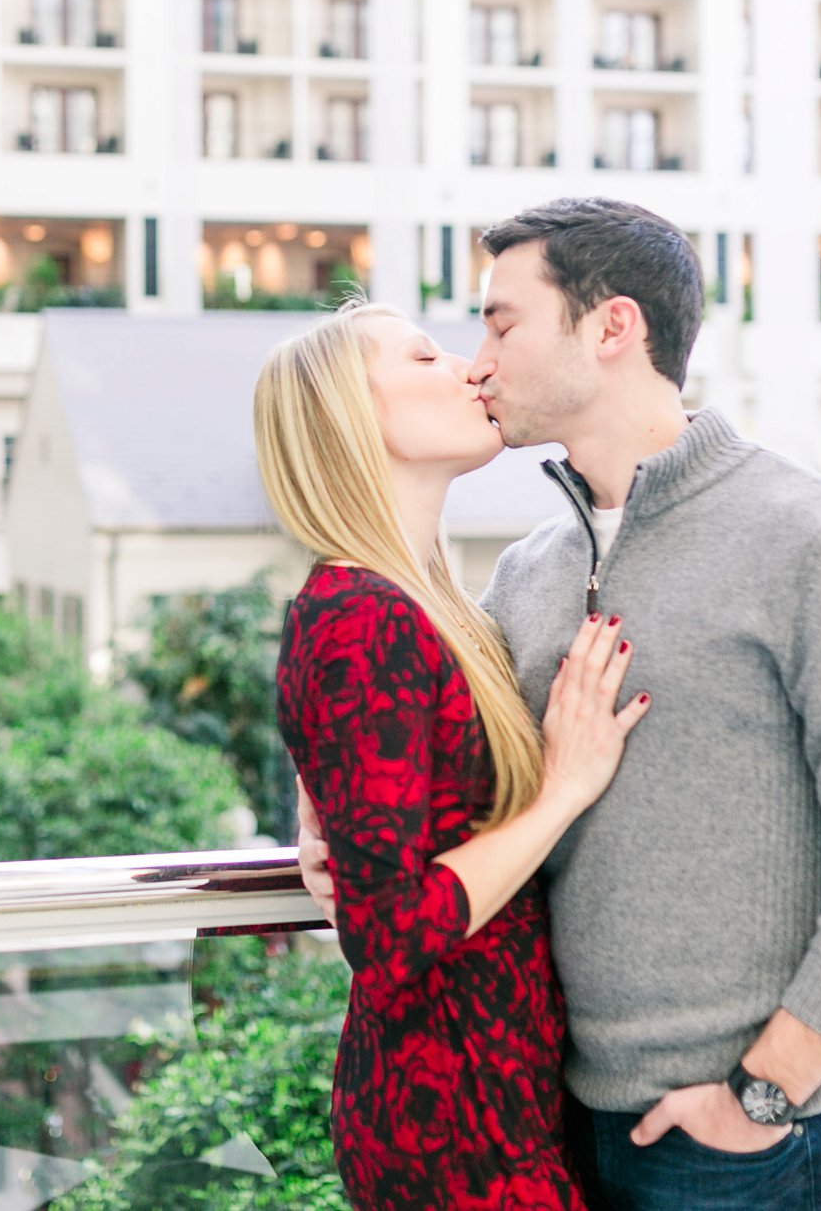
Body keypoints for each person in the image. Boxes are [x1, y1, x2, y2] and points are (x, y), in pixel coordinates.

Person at [297, 198, 821, 1210]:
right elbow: (435, 765)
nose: (476, 362)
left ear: (611, 327)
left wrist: (762, 1091)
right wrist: (319, 813)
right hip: (559, 1124)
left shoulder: (817, 540)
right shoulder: (526, 574)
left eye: (500, 324)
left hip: (758, 1142)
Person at [256, 300, 651, 1208]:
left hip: (491, 1099)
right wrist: (564, 789)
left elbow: (391, 830)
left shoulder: (431, 610)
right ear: (348, 416)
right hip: (450, 1125)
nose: (471, 370)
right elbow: (386, 938)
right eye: (425, 356)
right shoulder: (363, 620)